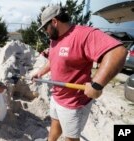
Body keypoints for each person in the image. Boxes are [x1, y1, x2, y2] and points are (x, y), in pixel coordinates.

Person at [33, 5, 127, 141]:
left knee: (71, 137)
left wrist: (97, 85)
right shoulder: (54, 39)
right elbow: (53, 60)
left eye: (45, 28)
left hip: (73, 103)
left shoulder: (84, 34)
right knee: (55, 123)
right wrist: (40, 73)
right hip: (57, 95)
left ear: (54, 22)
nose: (46, 32)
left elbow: (118, 52)